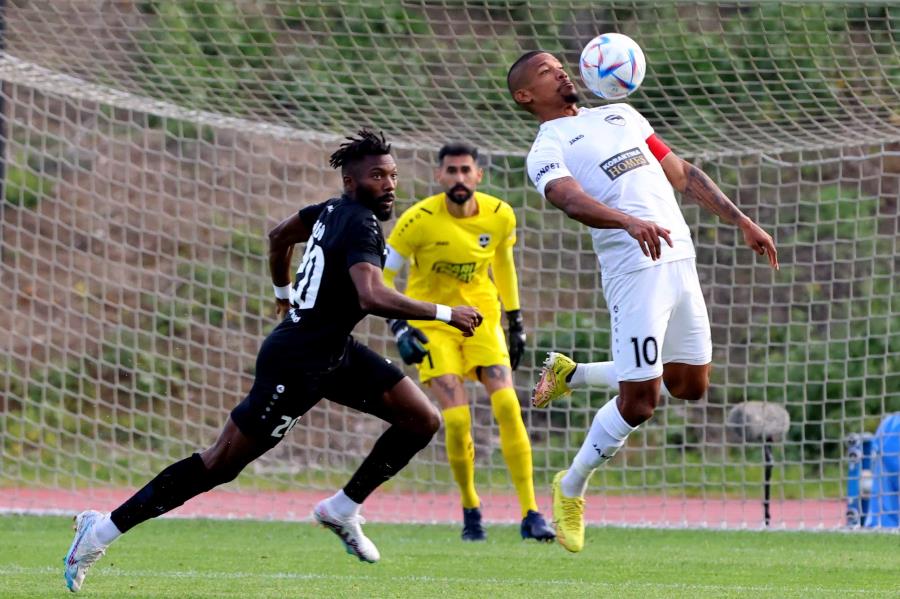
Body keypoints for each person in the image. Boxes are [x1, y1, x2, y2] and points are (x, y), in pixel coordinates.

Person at [62, 129, 483, 591]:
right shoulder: (359, 222)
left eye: (393, 175)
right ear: (350, 182)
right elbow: (371, 295)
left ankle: (342, 509)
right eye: (377, 176)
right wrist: (447, 313)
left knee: (421, 419)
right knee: (219, 464)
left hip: (332, 351)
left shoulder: (328, 211)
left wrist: (283, 294)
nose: (389, 185)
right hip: (296, 363)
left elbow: (279, 235)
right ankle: (99, 531)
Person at [507, 51, 778, 552]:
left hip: (680, 258)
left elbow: (681, 172)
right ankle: (571, 486)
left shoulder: (623, 113)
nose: (561, 71)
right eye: (545, 71)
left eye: (560, 65)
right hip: (634, 270)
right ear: (525, 95)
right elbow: (568, 199)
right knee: (640, 402)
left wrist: (740, 220)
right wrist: (628, 221)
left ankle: (573, 375)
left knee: (689, 385)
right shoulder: (548, 146)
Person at [382, 142, 554, 542]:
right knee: (458, 421)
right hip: (433, 324)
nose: (459, 178)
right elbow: (382, 277)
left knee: (508, 406)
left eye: (465, 170)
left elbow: (504, 264)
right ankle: (471, 510)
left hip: (482, 321)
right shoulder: (416, 220)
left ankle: (531, 513)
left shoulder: (500, 215)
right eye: (451, 171)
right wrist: (399, 327)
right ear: (439, 175)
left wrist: (516, 321)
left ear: (478, 175)